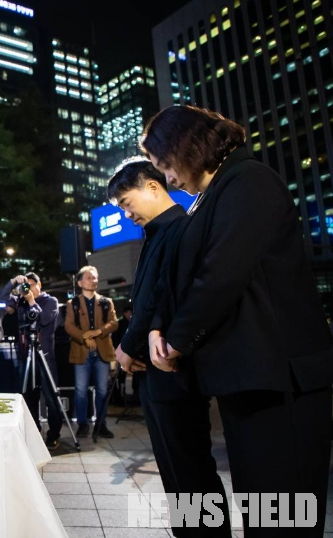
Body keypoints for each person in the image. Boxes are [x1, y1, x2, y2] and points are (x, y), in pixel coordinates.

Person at [142, 105, 333, 537]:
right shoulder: (212, 195)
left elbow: (220, 274)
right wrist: (158, 327)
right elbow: (183, 279)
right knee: (262, 511)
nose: (169, 178)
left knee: (281, 516)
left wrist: (176, 340)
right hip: (249, 378)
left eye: (164, 163)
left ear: (185, 146)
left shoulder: (249, 180)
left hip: (279, 376)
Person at [108, 157, 231, 536]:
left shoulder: (180, 228)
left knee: (190, 470)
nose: (126, 214)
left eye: (126, 203)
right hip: (155, 374)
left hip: (173, 372)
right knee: (175, 472)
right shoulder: (156, 233)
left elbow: (159, 298)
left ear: (152, 186)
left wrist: (127, 347)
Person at [0, 272, 62, 449]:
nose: (28, 288)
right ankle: (34, 434)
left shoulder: (50, 301)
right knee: (28, 399)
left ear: (40, 285)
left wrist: (32, 301)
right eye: (26, 285)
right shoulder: (19, 302)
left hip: (44, 356)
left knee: (51, 399)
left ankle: (54, 434)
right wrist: (12, 282)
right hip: (25, 356)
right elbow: (1, 302)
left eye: (32, 284)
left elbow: (44, 319)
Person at [64, 266, 118, 439]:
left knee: (102, 390)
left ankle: (101, 424)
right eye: (89, 278)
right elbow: (69, 326)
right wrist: (85, 337)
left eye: (95, 277)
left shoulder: (106, 302)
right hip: (82, 351)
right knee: (81, 390)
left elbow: (114, 323)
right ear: (80, 283)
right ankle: (82, 424)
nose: (93, 280)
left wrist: (98, 332)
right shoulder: (73, 303)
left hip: (102, 351)